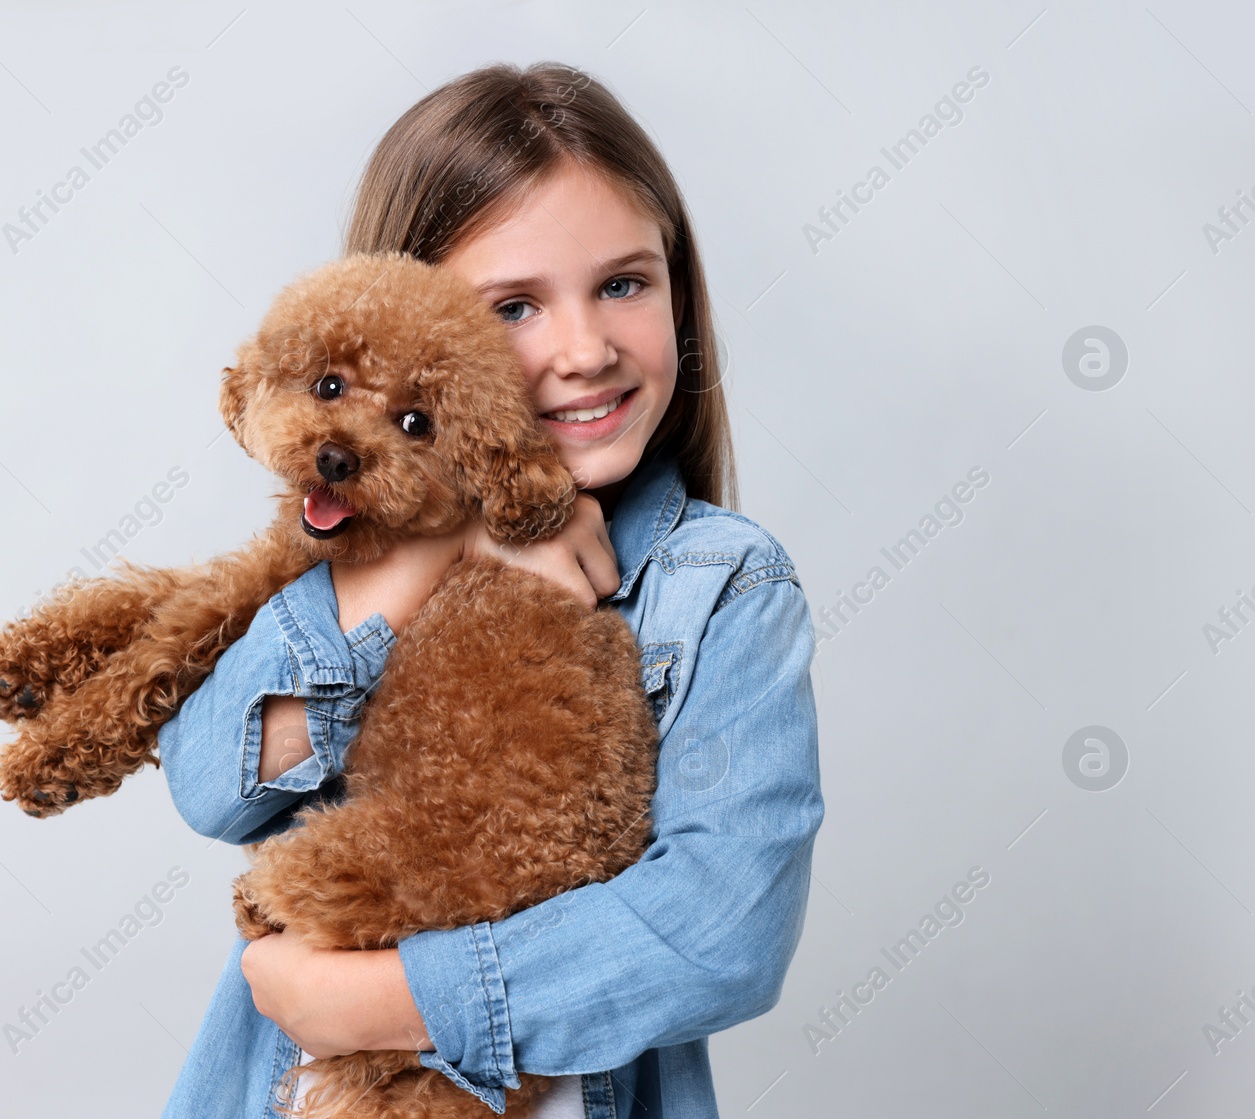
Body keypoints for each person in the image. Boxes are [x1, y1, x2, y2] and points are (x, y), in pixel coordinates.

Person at [158, 61, 823, 1119]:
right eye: (514, 305)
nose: (585, 349)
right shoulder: (349, 555)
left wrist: (383, 1001)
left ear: (677, 291)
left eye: (624, 283)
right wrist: (428, 557)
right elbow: (209, 784)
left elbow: (720, 934)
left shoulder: (718, 587)